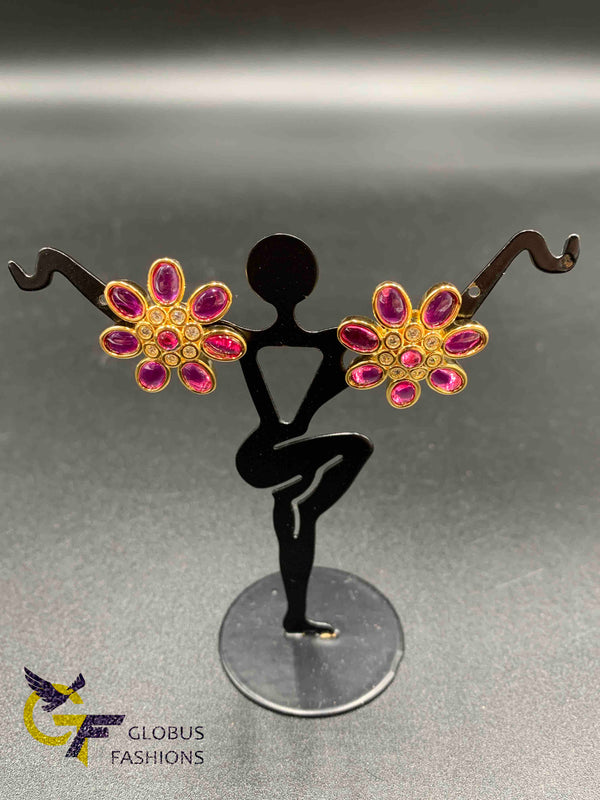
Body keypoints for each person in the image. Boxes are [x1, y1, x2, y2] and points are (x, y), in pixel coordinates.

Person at [234, 234, 373, 635]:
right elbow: (295, 423)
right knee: (353, 449)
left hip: (267, 454)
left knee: (355, 448)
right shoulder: (248, 342)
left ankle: (301, 507)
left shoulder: (321, 342)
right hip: (259, 459)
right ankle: (303, 505)